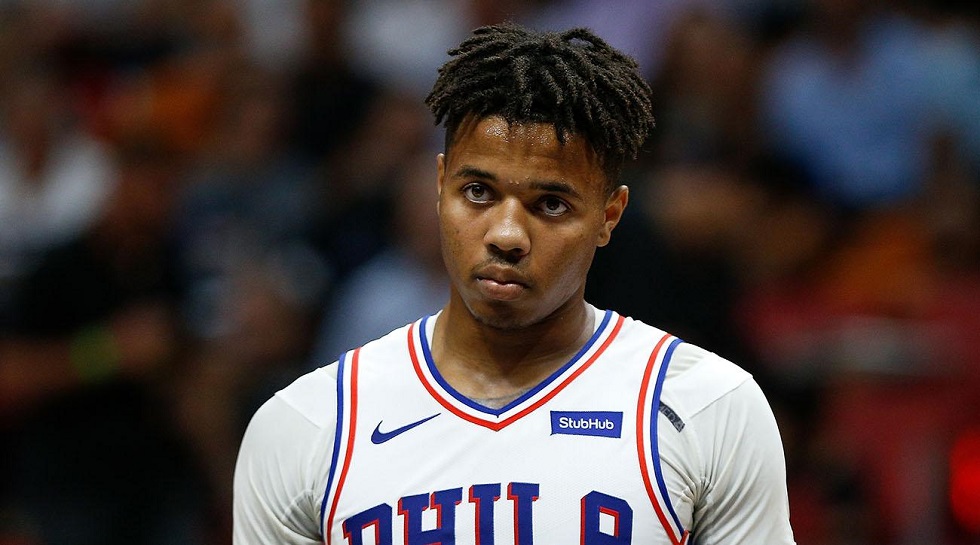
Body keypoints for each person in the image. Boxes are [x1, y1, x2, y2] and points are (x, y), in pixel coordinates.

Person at [233, 22, 796, 544]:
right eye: (478, 192)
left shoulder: (707, 408)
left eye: (550, 204)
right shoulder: (308, 425)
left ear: (609, 216)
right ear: (439, 187)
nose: (506, 235)